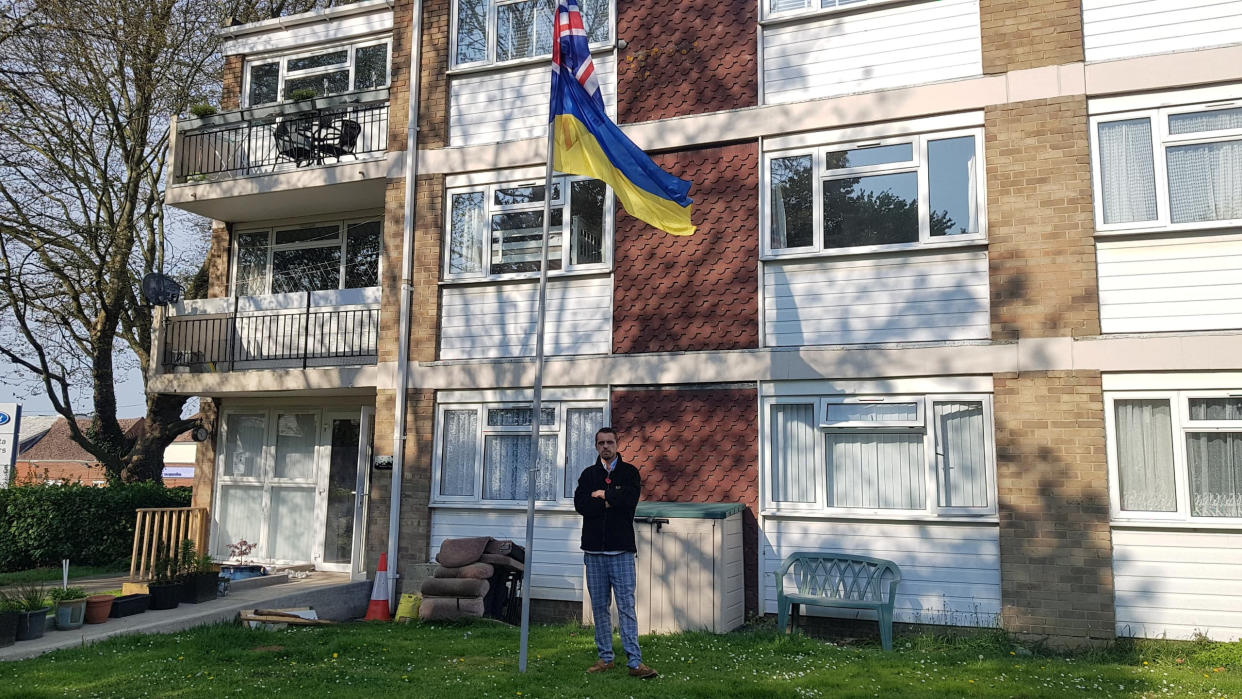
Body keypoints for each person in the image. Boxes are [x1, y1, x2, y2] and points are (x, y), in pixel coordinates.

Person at [573, 426, 657, 679]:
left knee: (626, 607)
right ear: (596, 446)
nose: (606, 447)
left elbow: (630, 500)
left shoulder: (629, 472)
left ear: (617, 445)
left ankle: (635, 662)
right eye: (601, 443)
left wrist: (604, 496)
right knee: (599, 607)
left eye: (610, 442)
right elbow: (581, 505)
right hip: (594, 552)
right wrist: (609, 501)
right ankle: (606, 658)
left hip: (620, 551)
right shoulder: (588, 475)